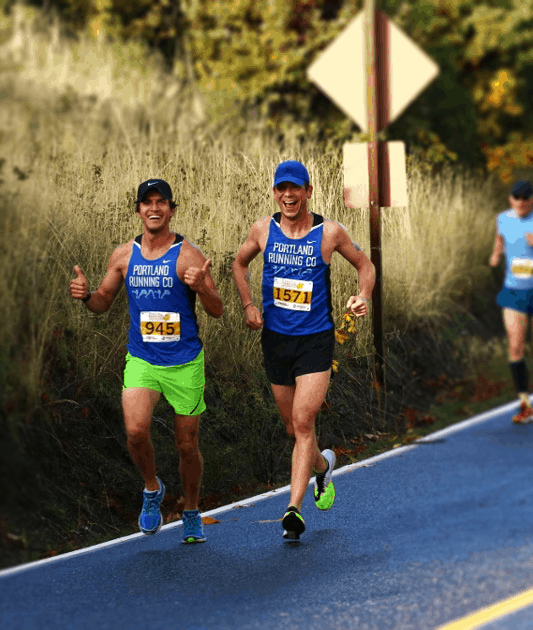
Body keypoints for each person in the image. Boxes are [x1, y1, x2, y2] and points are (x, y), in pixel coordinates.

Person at [69, 178, 224, 545]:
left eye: (161, 202)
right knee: (136, 432)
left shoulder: (188, 255)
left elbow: (217, 310)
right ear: (138, 210)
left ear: (172, 209)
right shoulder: (123, 256)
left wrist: (202, 287)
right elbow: (102, 302)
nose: (154, 208)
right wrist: (85, 294)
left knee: (187, 446)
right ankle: (152, 489)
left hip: (185, 361)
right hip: (143, 359)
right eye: (147, 202)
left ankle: (190, 510)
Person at [231, 160, 375, 541]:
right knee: (293, 429)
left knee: (303, 421)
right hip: (276, 340)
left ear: (309, 191)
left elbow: (365, 265)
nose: (289, 195)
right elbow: (239, 264)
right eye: (282, 189)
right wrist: (248, 305)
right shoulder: (263, 229)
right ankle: (322, 468)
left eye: (296, 188)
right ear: (276, 192)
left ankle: (293, 510)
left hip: (315, 339)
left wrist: (362, 296)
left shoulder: (329, 233)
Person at [488, 181, 533, 424]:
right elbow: (500, 238)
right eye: (516, 198)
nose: (520, 203)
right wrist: (496, 254)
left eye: (525, 198)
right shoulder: (503, 218)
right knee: (516, 346)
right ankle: (525, 403)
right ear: (511, 200)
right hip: (513, 291)